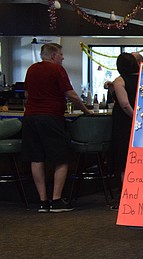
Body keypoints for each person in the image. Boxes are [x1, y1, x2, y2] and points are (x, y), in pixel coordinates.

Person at [22, 43, 93, 212]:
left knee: (37, 158)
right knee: (62, 157)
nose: (63, 57)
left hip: (30, 117)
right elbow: (70, 93)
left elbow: (26, 94)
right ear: (53, 55)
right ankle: (56, 200)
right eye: (61, 54)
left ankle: (42, 201)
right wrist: (85, 110)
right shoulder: (57, 70)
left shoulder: (31, 69)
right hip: (51, 117)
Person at [109, 52, 141, 205]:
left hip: (125, 121)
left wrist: (134, 117)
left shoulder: (119, 81)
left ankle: (126, 195)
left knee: (124, 157)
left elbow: (124, 104)